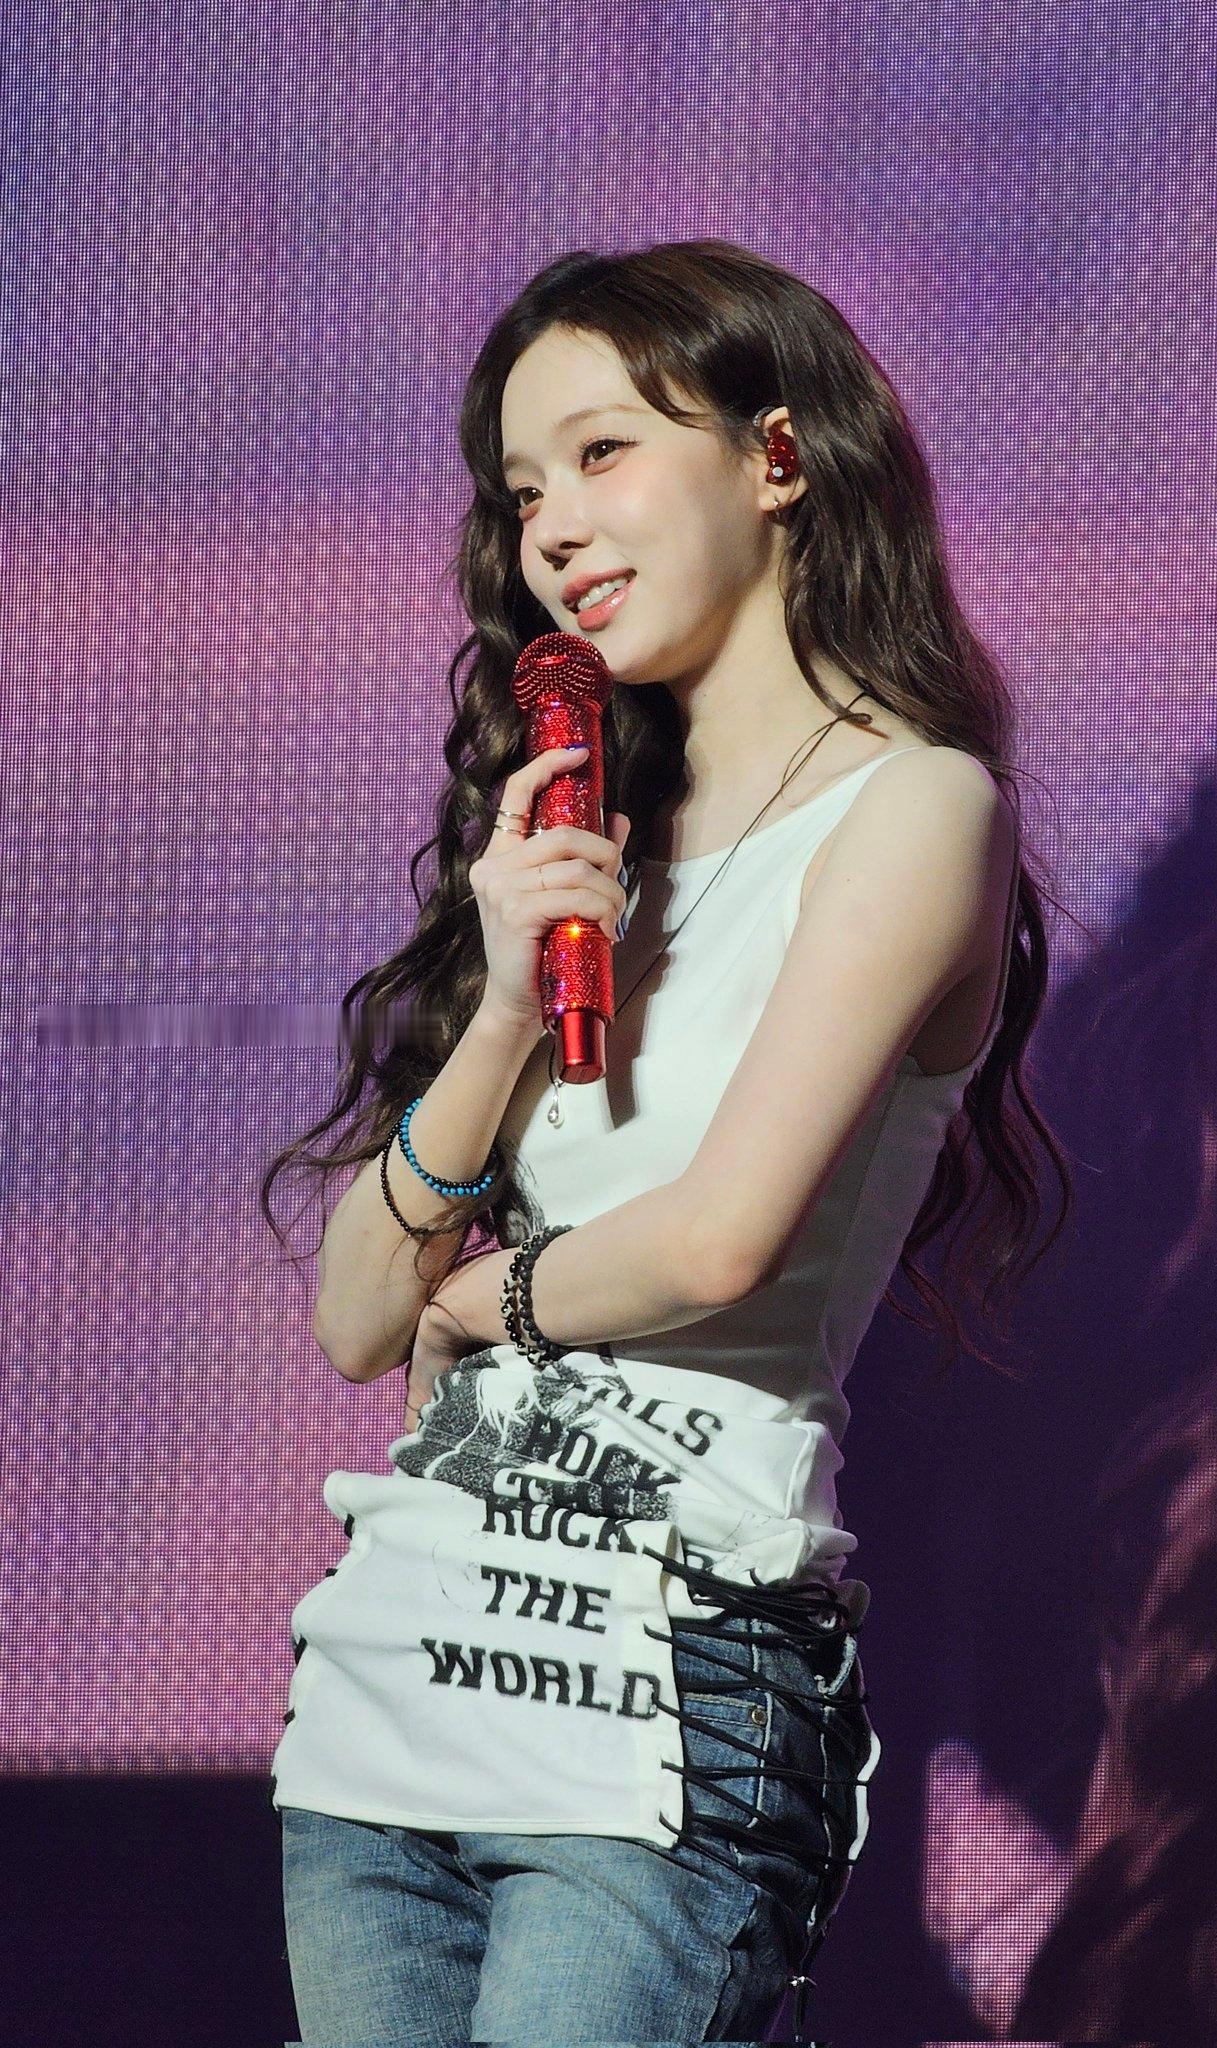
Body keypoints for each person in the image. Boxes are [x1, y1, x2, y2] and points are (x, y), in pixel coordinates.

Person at [260, 239, 1072, 2047]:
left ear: (774, 456)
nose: (553, 526)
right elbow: (350, 1313)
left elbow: (716, 1242)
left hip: (660, 1680)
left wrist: (481, 1305)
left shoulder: (912, 807)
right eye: (520, 490)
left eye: (603, 452)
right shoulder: (583, 843)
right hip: (400, 1675)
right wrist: (501, 1000)